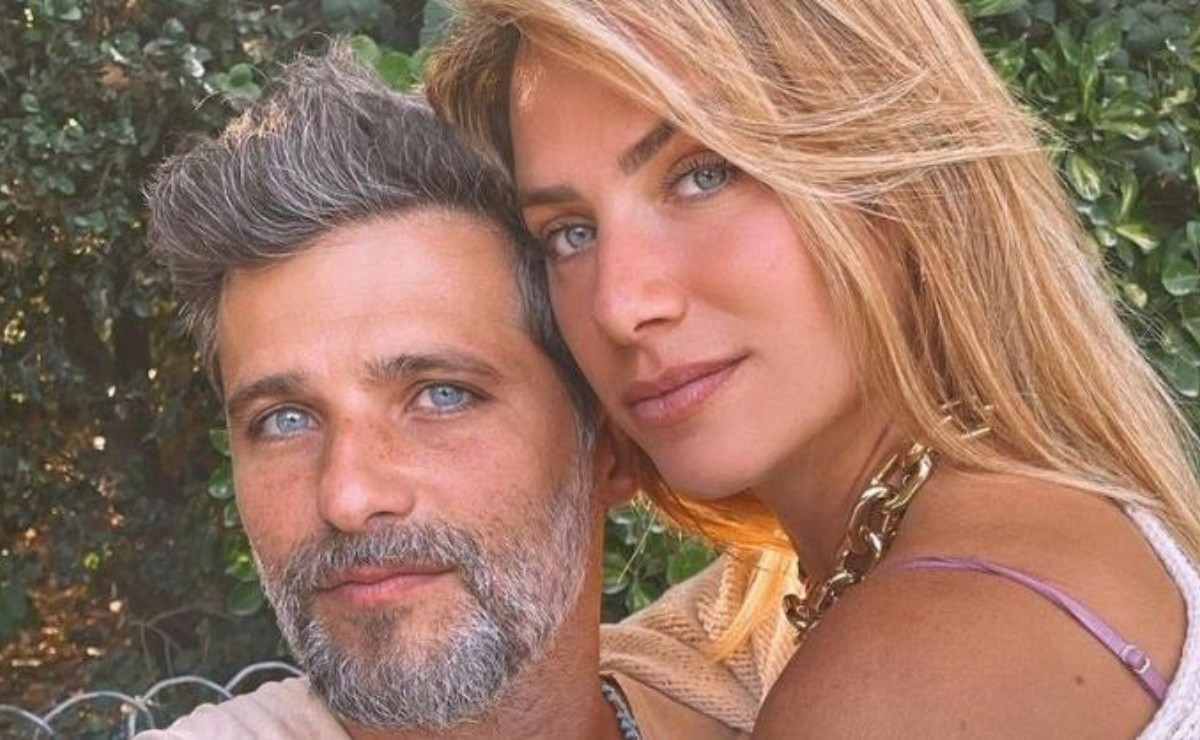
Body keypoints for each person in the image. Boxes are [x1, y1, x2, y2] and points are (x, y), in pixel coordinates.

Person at [424, 2, 1200, 736]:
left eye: (703, 175)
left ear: (889, 173)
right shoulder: (1012, 514)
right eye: (568, 233)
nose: (619, 306)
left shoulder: (897, 682)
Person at [138, 48, 794, 740]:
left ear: (609, 447)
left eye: (441, 396)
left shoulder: (759, 690)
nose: (348, 498)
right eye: (285, 421)